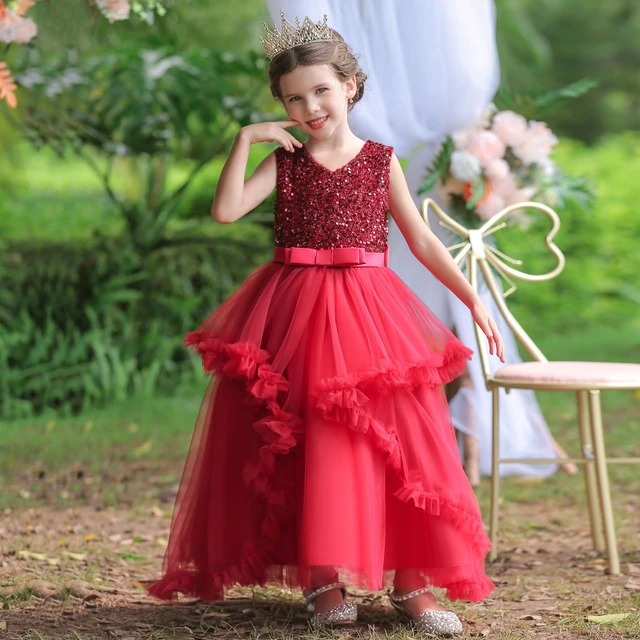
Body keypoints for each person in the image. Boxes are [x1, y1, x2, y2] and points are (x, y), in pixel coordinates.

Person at [148, 12, 505, 636]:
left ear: (351, 86)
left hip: (372, 309)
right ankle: (322, 580)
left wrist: (470, 299)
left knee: (398, 434)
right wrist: (245, 140)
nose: (310, 106)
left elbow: (420, 240)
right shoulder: (286, 162)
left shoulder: (379, 162)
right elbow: (228, 210)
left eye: (321, 90)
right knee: (311, 437)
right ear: (280, 105)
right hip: (295, 311)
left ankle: (412, 583)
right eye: (293, 98)